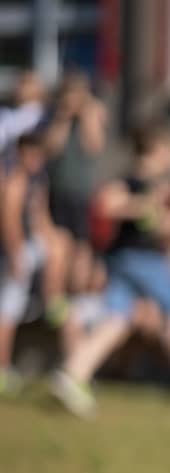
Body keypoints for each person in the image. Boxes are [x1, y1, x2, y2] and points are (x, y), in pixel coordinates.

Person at [50, 123, 170, 420]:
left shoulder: (154, 188)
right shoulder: (135, 182)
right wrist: (145, 204)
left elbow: (159, 225)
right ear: (157, 150)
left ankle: (71, 375)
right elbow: (106, 203)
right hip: (139, 258)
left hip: (125, 259)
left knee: (117, 319)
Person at [0, 132, 71, 393]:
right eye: (30, 154)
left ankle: (52, 298)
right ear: (20, 153)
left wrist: (53, 238)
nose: (35, 159)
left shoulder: (38, 179)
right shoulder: (15, 180)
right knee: (8, 310)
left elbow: (41, 218)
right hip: (13, 251)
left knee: (60, 243)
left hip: (28, 245)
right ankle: (2, 368)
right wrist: (15, 256)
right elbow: (9, 221)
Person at [45, 71, 107, 299]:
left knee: (81, 245)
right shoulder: (56, 118)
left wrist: (86, 115)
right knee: (62, 243)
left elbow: (93, 146)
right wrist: (62, 117)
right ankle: (60, 293)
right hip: (58, 191)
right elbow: (51, 148)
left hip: (81, 193)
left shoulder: (91, 115)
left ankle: (78, 293)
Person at [0, 70, 47, 172]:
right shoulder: (6, 113)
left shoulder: (45, 116)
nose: (21, 86)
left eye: (27, 82)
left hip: (34, 173)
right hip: (8, 170)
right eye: (20, 82)